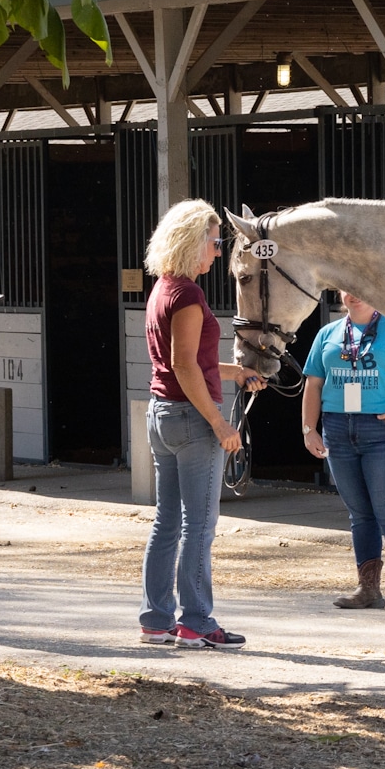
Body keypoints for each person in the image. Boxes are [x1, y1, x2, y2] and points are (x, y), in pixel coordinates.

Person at [140, 199, 263, 648]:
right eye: (214, 243)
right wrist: (220, 424)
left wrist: (237, 373)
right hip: (192, 418)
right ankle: (197, 620)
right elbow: (186, 366)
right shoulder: (189, 294)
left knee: (167, 520)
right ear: (194, 242)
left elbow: (189, 362)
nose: (217, 252)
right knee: (199, 523)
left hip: (162, 414)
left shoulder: (162, 288)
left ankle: (156, 618)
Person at [302, 291, 385, 613]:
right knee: (360, 514)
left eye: (360, 287)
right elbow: (313, 384)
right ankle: (368, 589)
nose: (353, 294)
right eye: (346, 288)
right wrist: (309, 428)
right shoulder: (327, 334)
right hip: (339, 431)